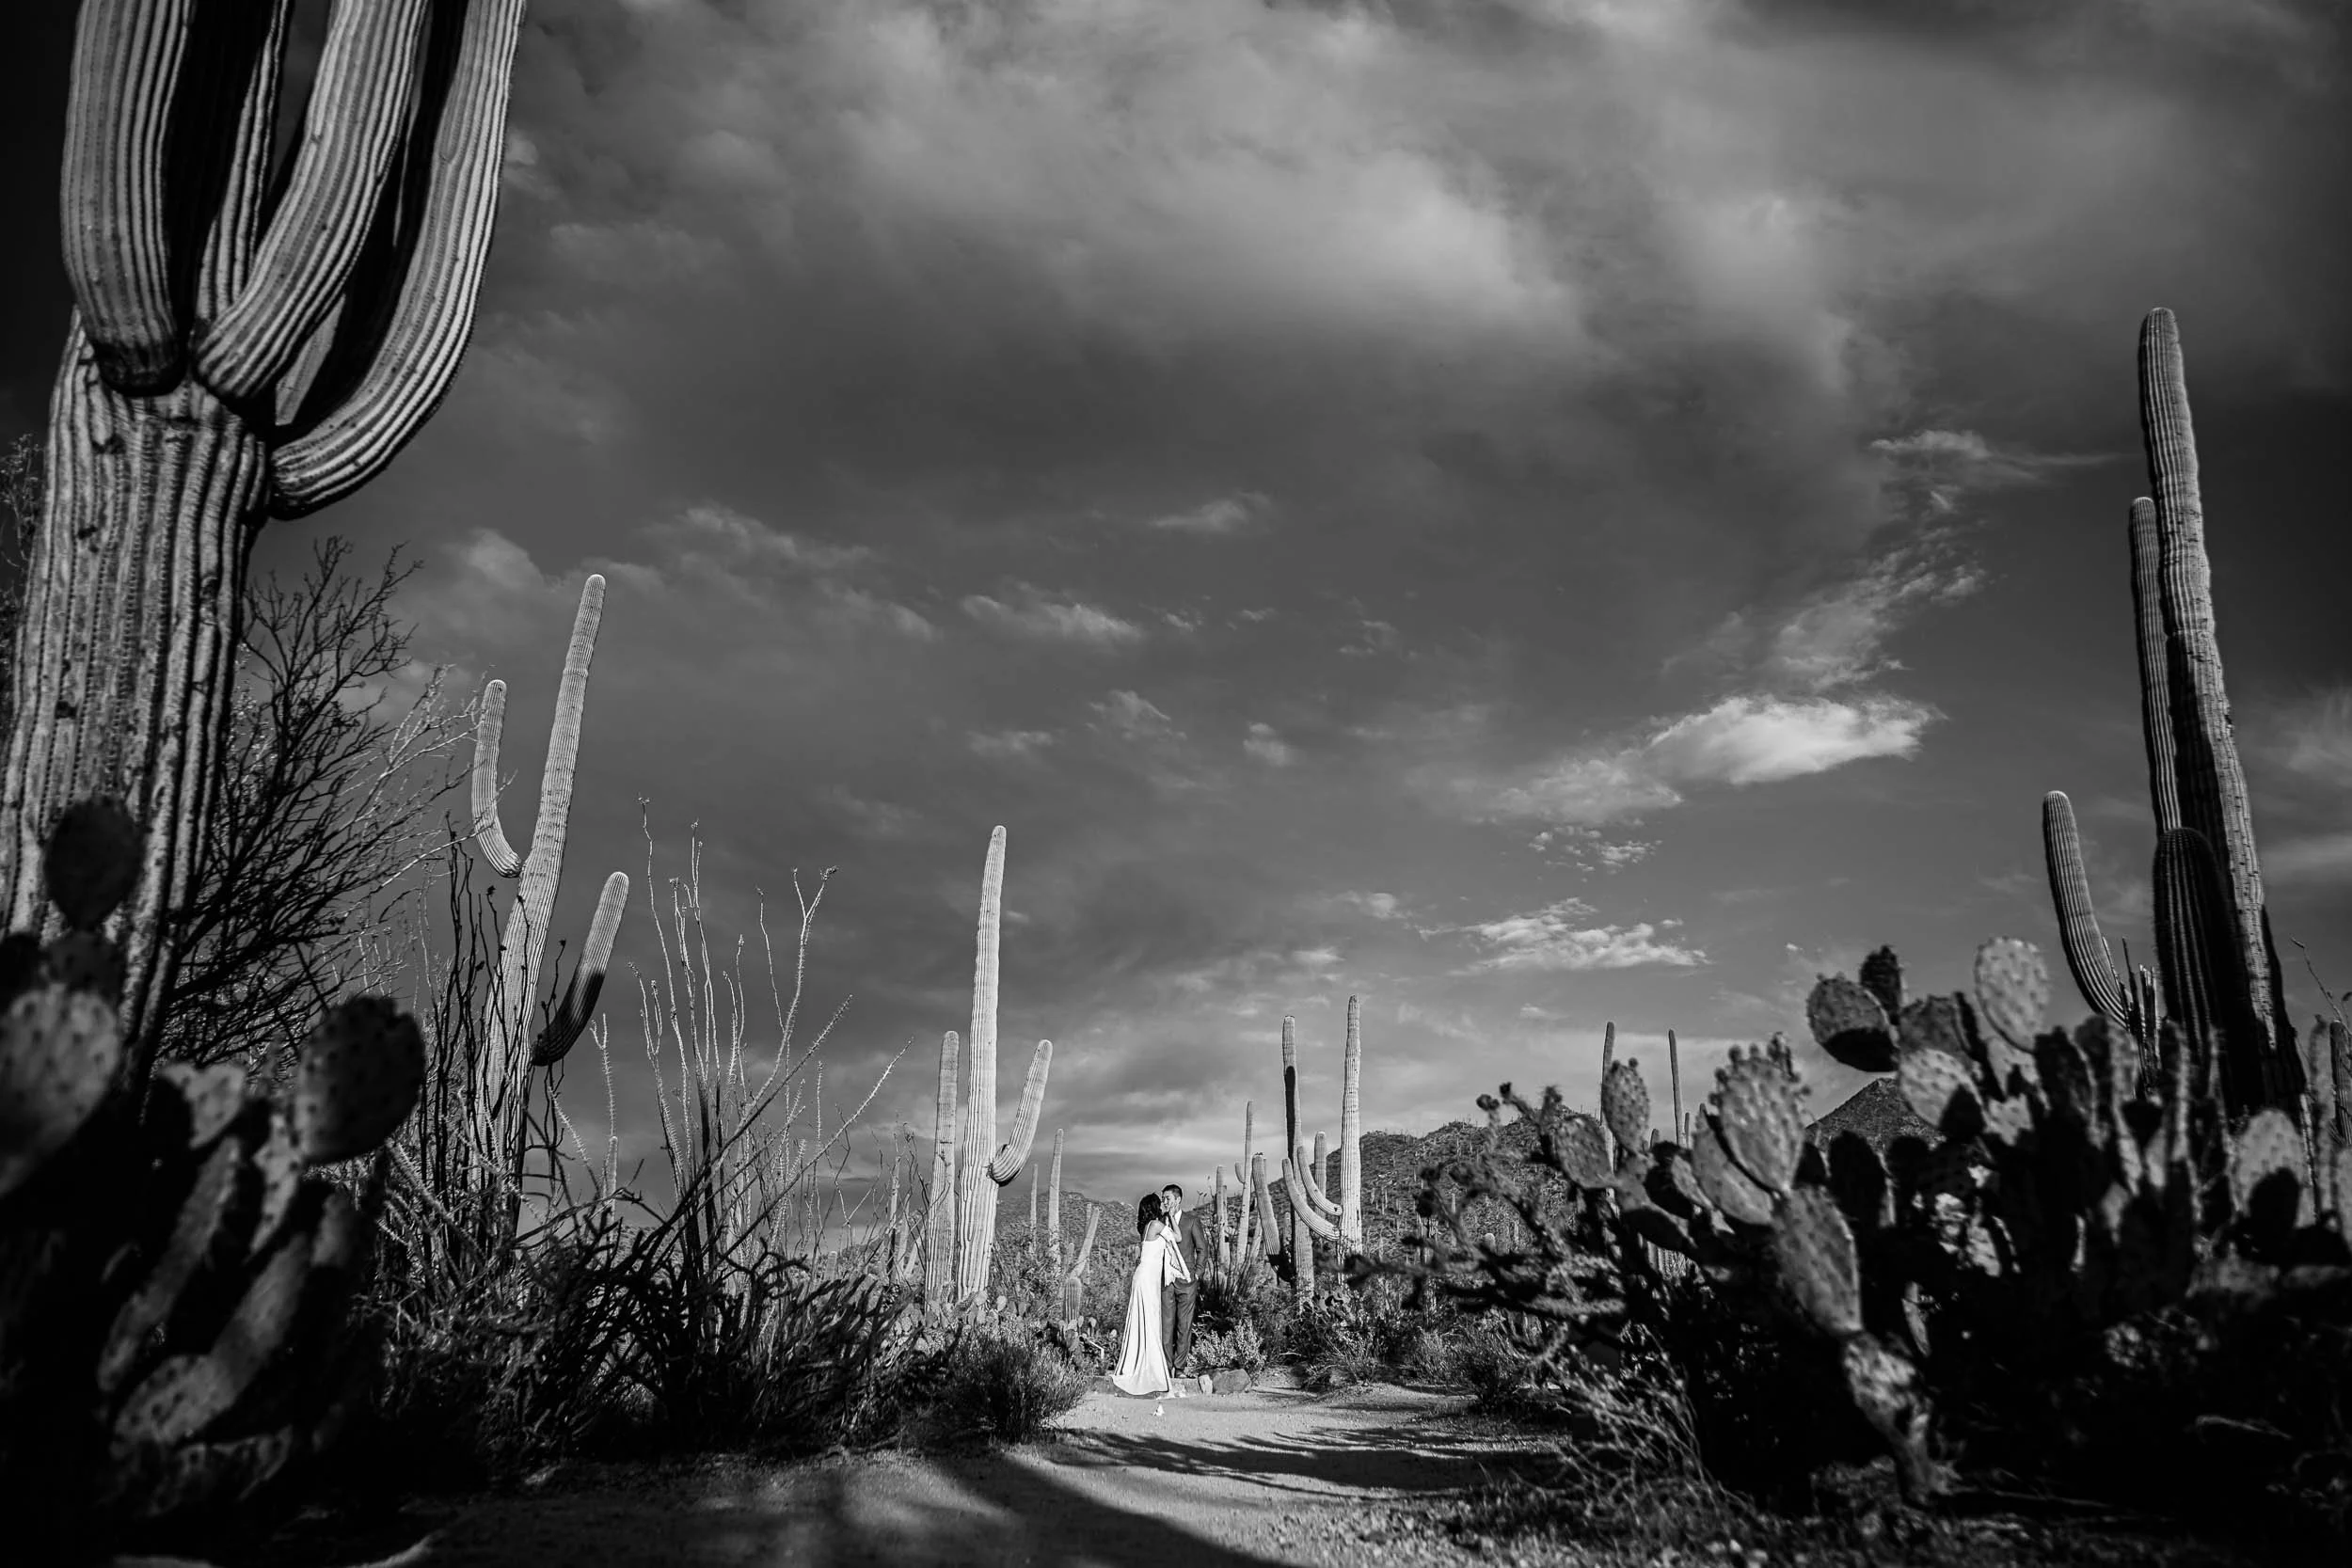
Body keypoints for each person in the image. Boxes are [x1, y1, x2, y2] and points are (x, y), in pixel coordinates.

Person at [1108, 1192, 1194, 1398]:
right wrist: (1172, 1215)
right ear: (1155, 1207)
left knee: (1145, 1320)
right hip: (1147, 1278)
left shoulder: (1148, 1226)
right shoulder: (1156, 1225)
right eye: (1161, 1203)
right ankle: (1151, 1369)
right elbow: (1179, 1237)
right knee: (1149, 1321)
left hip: (1145, 1277)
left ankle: (1142, 1364)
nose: (1164, 1204)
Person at [1159, 1182, 1208, 1370]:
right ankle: (1165, 1367)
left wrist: (1197, 1273)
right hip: (1166, 1281)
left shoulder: (1191, 1221)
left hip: (1187, 1281)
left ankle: (1179, 1368)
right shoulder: (1159, 1221)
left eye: (1168, 1198)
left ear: (1178, 1200)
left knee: (1184, 1327)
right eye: (1163, 1199)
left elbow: (1202, 1249)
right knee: (1165, 1327)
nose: (1165, 1202)